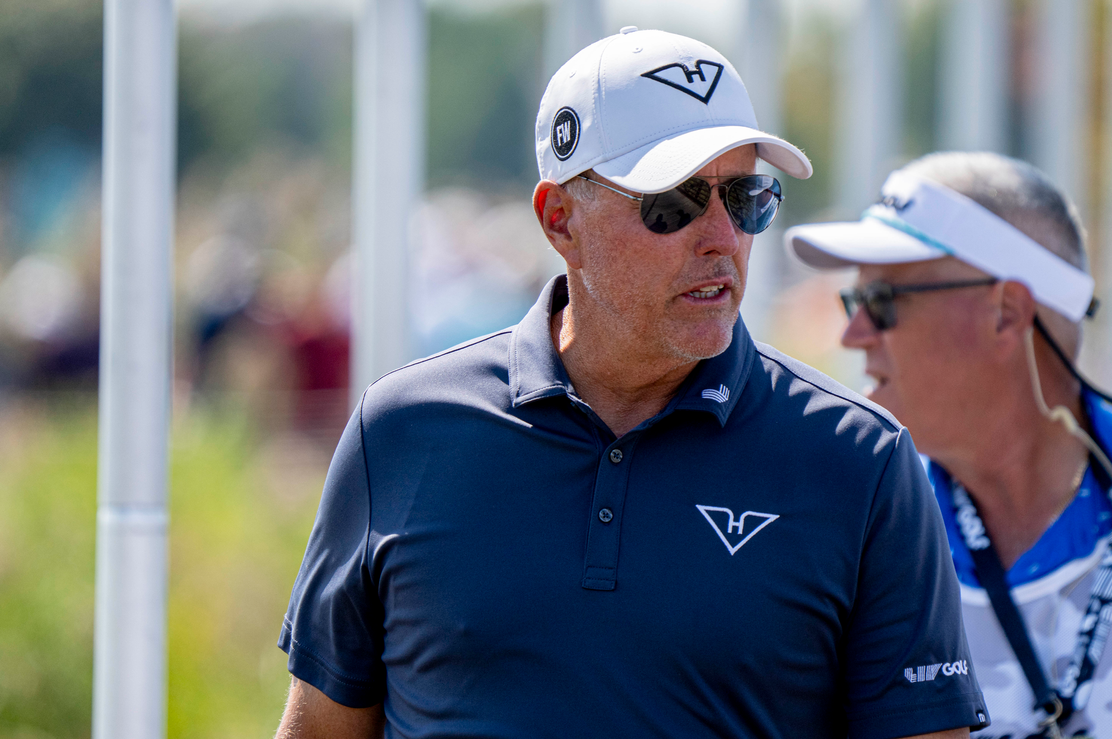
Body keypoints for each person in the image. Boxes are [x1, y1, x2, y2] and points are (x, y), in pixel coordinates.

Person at [274, 28, 989, 739]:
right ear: (561, 221)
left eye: (744, 197)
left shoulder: (860, 461)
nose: (721, 238)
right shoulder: (402, 429)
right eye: (672, 203)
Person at [786, 151, 1112, 738]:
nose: (853, 333)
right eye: (854, 301)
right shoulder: (857, 532)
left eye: (883, 302)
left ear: (1007, 314)